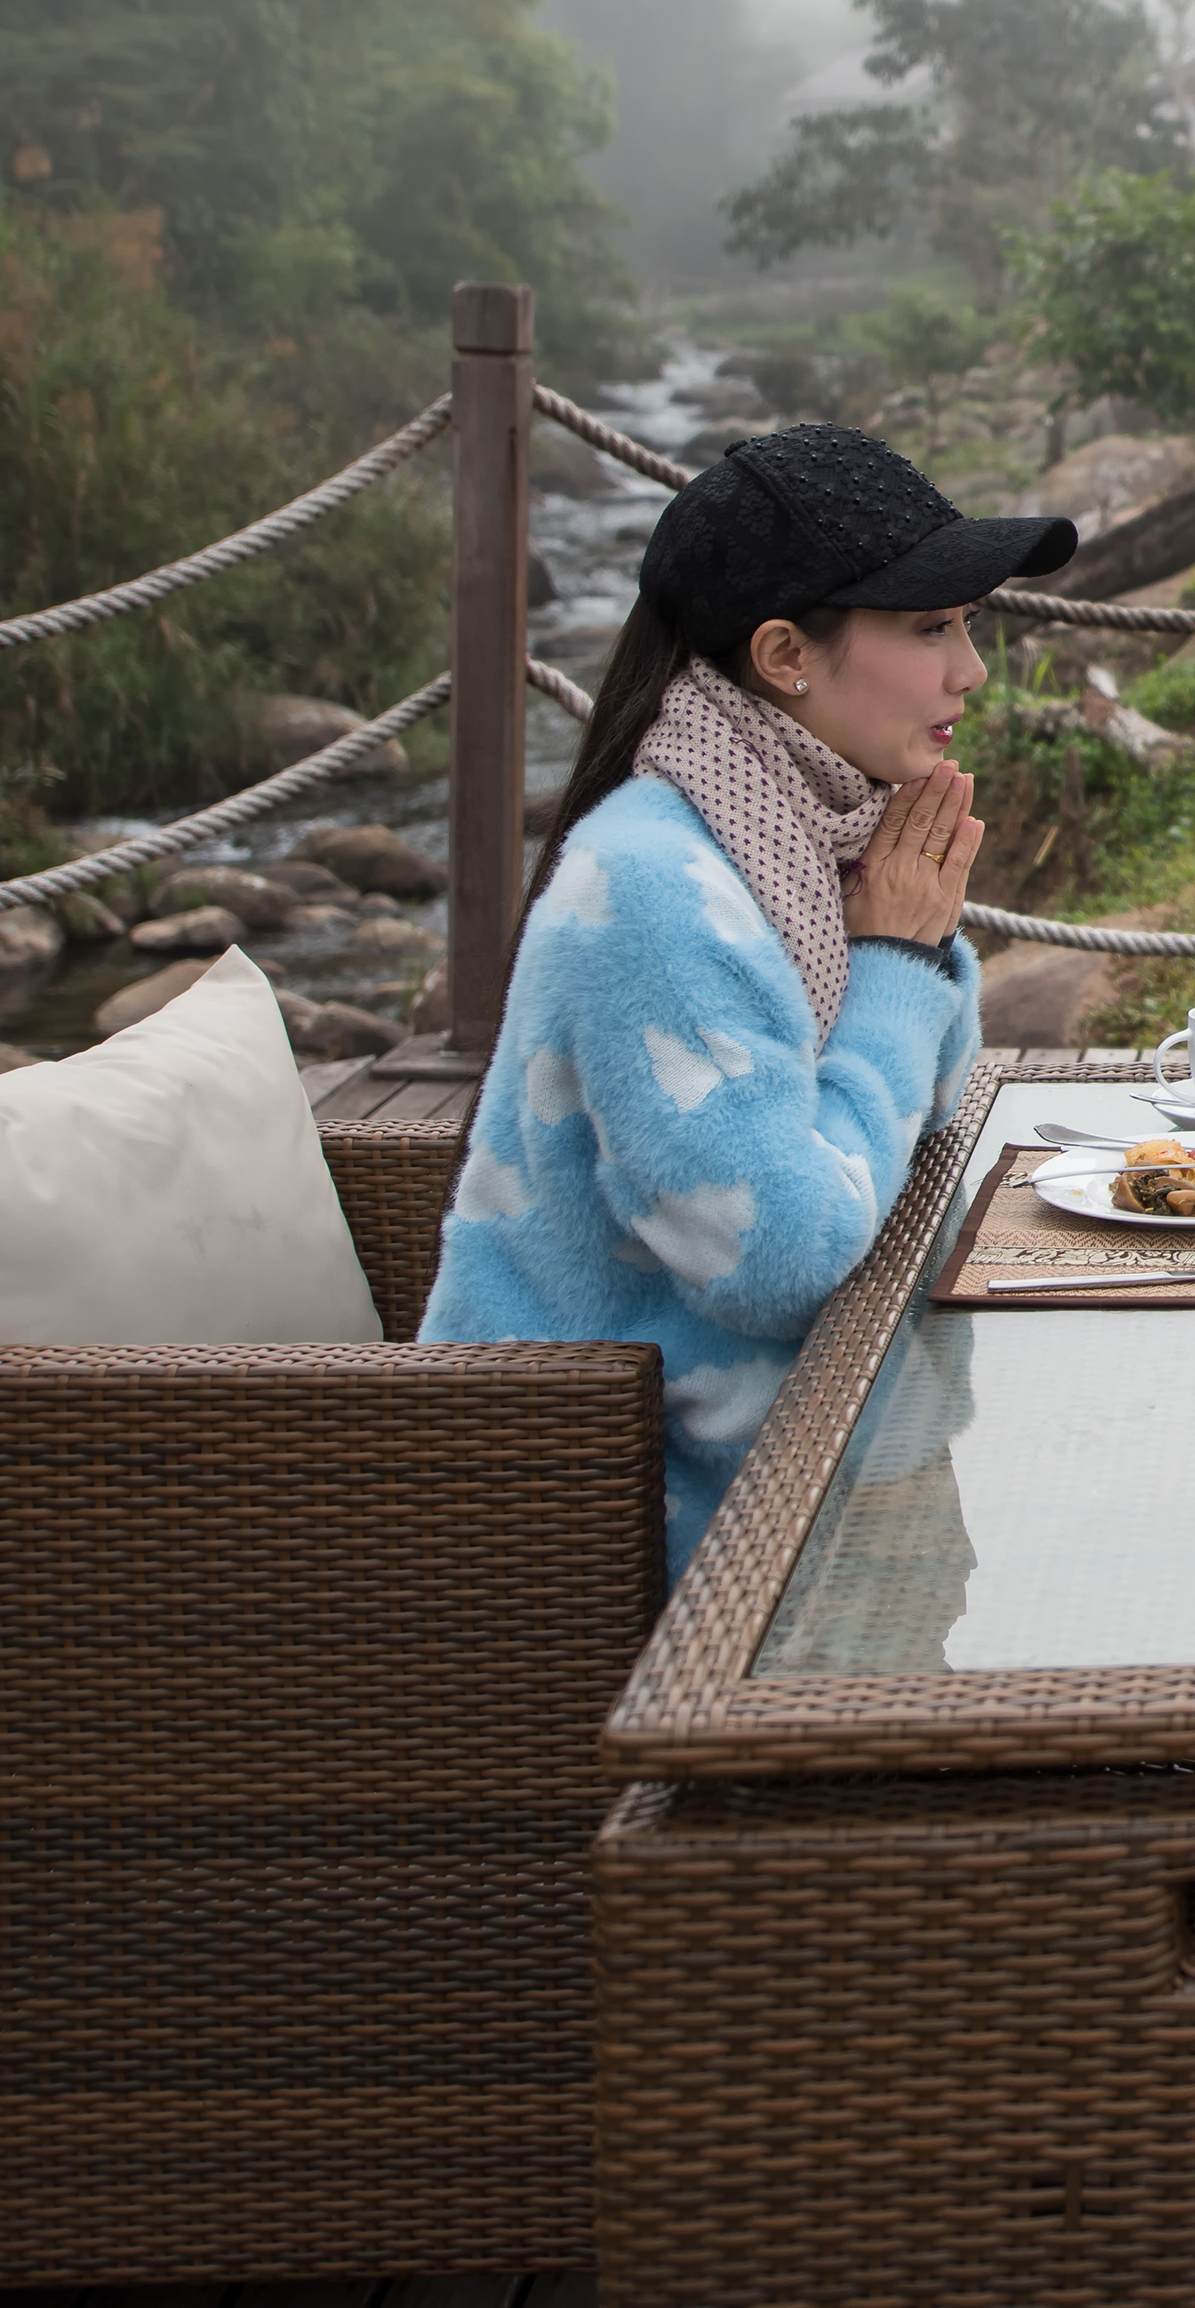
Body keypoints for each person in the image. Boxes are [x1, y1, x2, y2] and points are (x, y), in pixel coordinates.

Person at [420, 425, 1074, 1573]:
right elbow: (777, 1258)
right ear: (782, 655)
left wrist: (909, 934)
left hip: (805, 1463)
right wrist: (899, 962)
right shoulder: (653, 891)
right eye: (930, 627)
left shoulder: (800, 819)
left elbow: (923, 1100)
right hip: (618, 1528)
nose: (969, 670)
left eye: (966, 625)